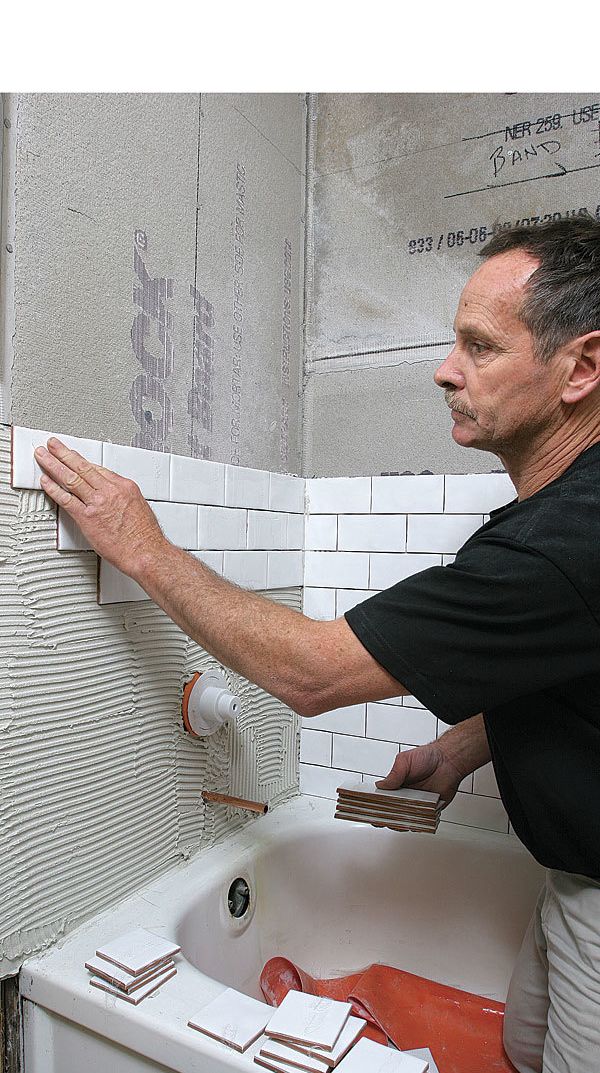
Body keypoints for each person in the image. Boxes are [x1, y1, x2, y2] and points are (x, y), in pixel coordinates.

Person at [34, 215, 600, 1073]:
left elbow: (310, 671)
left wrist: (140, 544)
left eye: (479, 346)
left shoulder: (562, 542)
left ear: (581, 368)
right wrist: (460, 748)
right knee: (523, 1046)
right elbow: (574, 668)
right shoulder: (564, 524)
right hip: (571, 872)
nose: (445, 370)